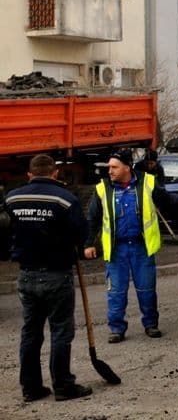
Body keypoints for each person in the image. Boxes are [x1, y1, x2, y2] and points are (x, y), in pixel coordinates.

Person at [6, 154, 93, 402]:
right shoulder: (64, 199)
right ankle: (63, 385)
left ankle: (30, 387)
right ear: (55, 173)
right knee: (61, 330)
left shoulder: (12, 198)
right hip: (57, 273)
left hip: (26, 274)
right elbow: (82, 233)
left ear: (29, 175)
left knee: (31, 332)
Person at [85, 149, 171, 342]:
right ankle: (116, 329)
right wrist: (89, 243)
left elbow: (167, 200)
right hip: (117, 250)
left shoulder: (147, 182)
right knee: (116, 292)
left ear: (127, 167)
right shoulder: (103, 188)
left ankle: (151, 325)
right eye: (109, 167)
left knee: (147, 290)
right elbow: (93, 218)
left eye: (114, 167)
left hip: (141, 247)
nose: (110, 171)